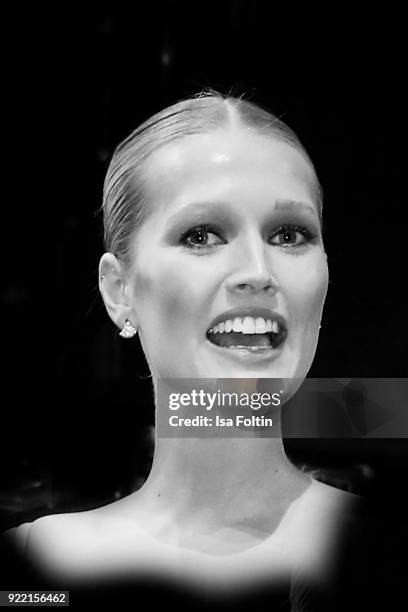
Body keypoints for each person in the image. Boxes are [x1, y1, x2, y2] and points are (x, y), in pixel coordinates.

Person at [3, 91, 360, 607]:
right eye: (201, 235)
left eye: (289, 234)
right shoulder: (33, 569)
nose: (259, 272)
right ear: (118, 290)